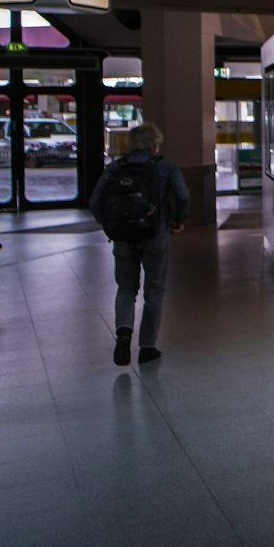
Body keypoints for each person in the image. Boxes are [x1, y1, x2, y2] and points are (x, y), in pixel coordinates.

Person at [89, 123, 189, 365]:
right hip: (156, 236)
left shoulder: (115, 168)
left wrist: (111, 226)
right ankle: (147, 347)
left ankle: (124, 334)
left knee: (126, 288)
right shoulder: (165, 166)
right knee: (154, 291)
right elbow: (183, 196)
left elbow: (94, 202)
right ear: (154, 144)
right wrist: (178, 220)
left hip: (123, 238)